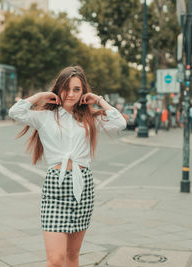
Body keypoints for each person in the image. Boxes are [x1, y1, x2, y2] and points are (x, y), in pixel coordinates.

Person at [8, 66, 126, 267]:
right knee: (55, 260)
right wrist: (40, 96)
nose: (70, 94)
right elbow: (15, 112)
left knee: (72, 255)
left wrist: (98, 100)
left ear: (83, 92)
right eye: (65, 88)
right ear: (58, 89)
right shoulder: (44, 117)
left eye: (76, 89)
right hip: (56, 187)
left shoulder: (90, 119)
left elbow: (120, 123)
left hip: (83, 186)